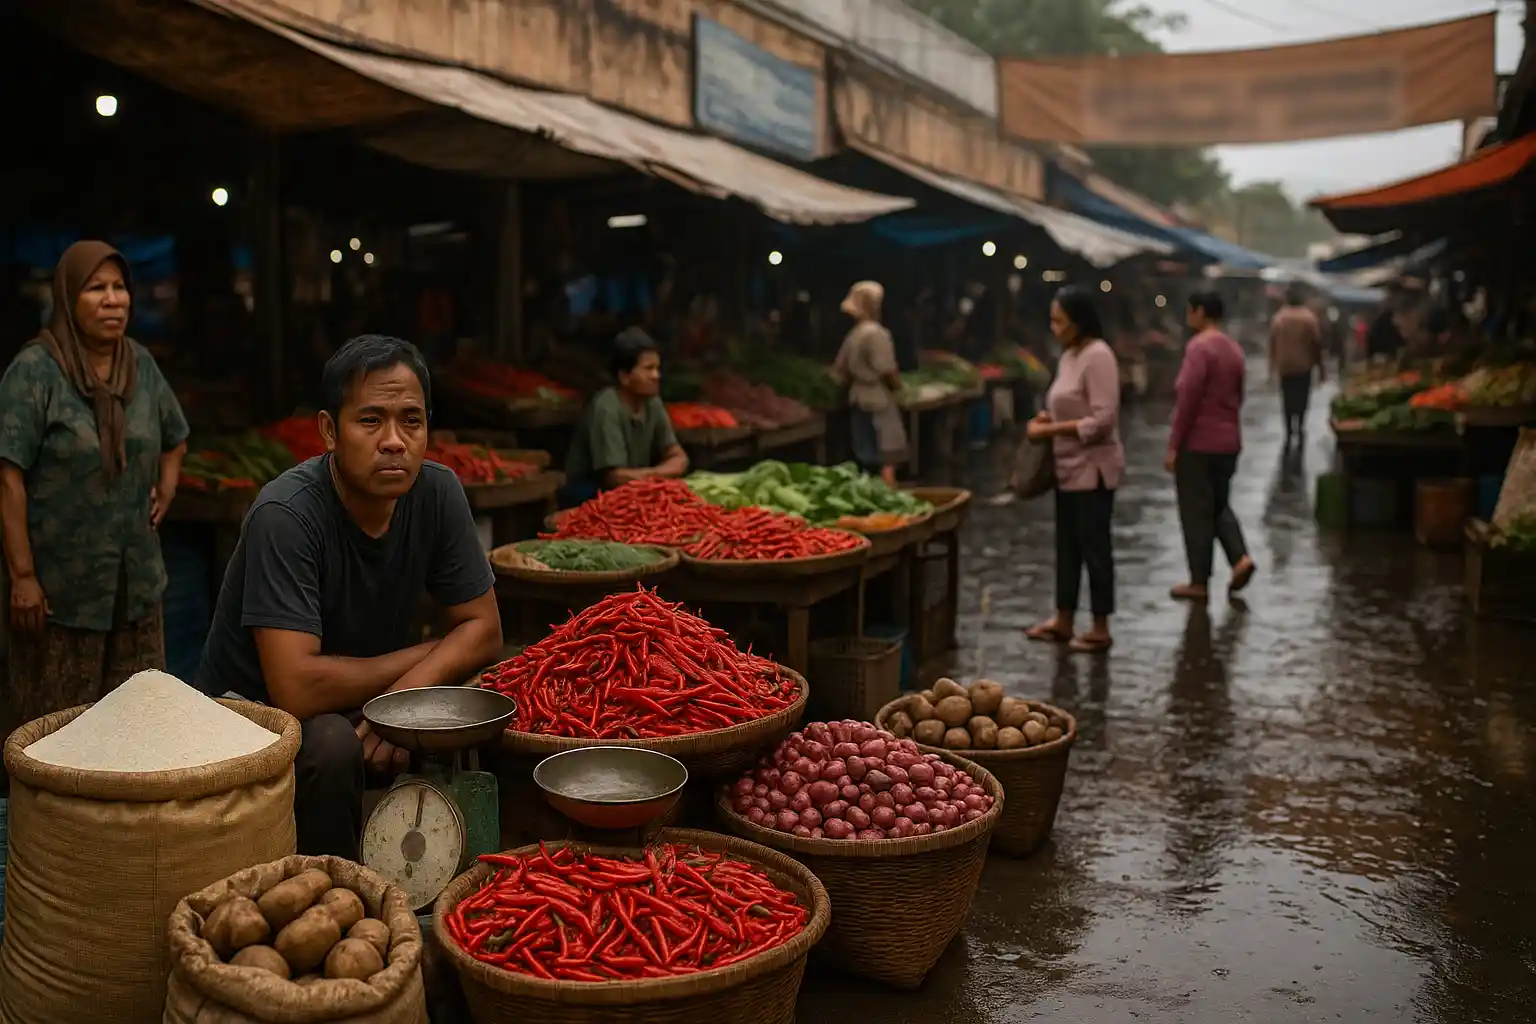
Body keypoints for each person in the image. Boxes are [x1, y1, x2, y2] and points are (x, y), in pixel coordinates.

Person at [197, 335, 503, 858]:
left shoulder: (437, 492)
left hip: (362, 696)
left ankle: (456, 876)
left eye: (411, 421)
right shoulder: (286, 515)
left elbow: (486, 630)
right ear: (328, 430)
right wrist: (431, 659)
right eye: (371, 421)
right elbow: (296, 688)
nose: (394, 441)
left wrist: (399, 706)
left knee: (482, 712)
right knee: (333, 746)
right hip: (252, 719)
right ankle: (331, 888)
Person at [0, 241, 188, 738]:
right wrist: (22, 576)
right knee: (54, 736)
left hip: (136, 586)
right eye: (96, 288)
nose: (112, 299)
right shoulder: (35, 371)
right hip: (60, 596)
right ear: (67, 298)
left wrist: (166, 486)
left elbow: (176, 438)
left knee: (138, 732)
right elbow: (8, 475)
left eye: (119, 287)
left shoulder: (140, 364)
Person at [1023, 286, 1123, 654]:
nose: (1054, 328)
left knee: (1095, 548)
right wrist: (1045, 419)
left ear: (1079, 322)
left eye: (1060, 321)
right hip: (1065, 469)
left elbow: (1103, 421)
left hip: (1093, 470)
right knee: (1067, 547)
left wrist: (1050, 431)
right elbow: (1065, 404)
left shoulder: (1098, 356)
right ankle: (1063, 618)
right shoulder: (1068, 357)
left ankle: (1100, 626)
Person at [1168, 290, 1256, 602]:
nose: (1187, 317)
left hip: (1199, 443)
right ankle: (1240, 559)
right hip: (1228, 442)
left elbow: (1187, 400)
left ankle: (1199, 582)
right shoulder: (1234, 349)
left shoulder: (1199, 347)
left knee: (1196, 511)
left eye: (1190, 310)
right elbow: (1239, 395)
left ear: (1200, 312)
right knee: (1218, 505)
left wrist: (1174, 445)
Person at [559, 327, 688, 507]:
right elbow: (614, 477)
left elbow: (679, 457)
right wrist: (661, 474)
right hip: (589, 493)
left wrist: (651, 476)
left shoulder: (652, 403)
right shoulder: (606, 407)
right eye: (648, 369)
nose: (656, 376)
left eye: (657, 368)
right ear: (624, 376)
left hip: (632, 487)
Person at [831, 281, 907, 485]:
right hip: (878, 400)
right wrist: (899, 388)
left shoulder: (854, 334)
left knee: (866, 456)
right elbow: (887, 370)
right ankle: (889, 495)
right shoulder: (876, 333)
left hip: (857, 399)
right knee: (887, 457)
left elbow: (840, 371)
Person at [1269, 286, 1324, 442]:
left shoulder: (1279, 318)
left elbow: (1272, 343)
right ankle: (1299, 426)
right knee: (1302, 397)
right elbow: (1316, 344)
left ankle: (1288, 430)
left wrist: (1272, 365)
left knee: (1287, 397)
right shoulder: (1309, 318)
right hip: (1304, 365)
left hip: (1285, 366)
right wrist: (1321, 367)